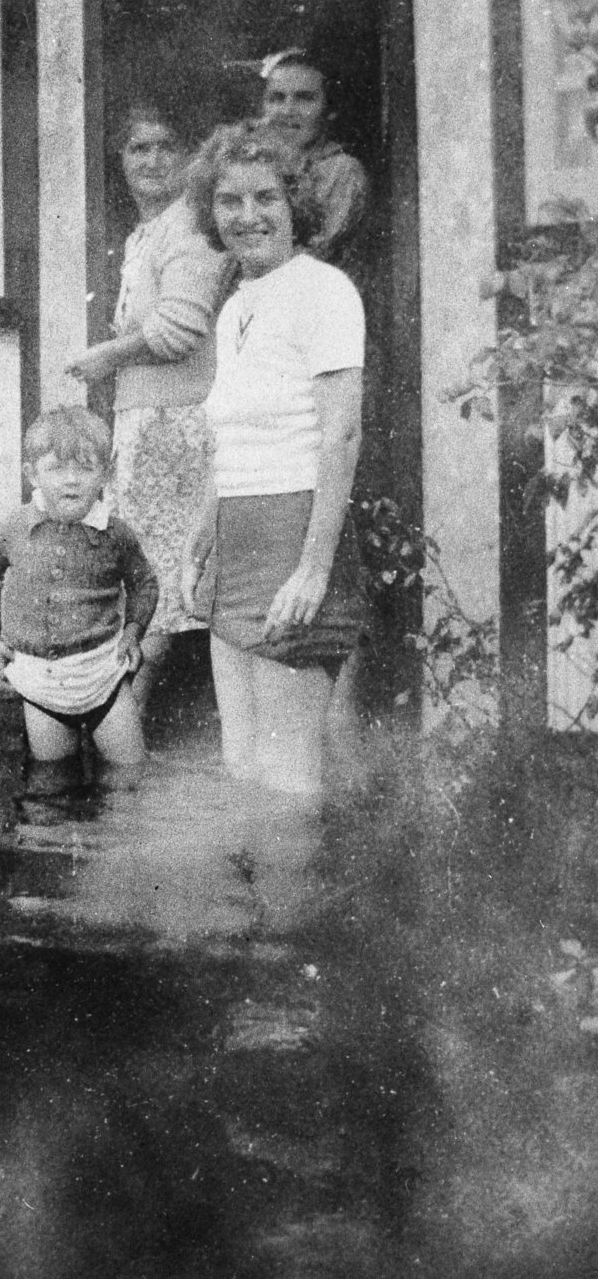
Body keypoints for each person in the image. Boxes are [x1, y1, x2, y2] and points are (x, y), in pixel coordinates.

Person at [180, 122, 366, 813]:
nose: (248, 215)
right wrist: (204, 531)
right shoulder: (233, 309)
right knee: (243, 764)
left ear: (295, 204)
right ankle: (253, 922)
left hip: (295, 536)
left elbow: (341, 434)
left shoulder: (325, 289)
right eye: (229, 200)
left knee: (289, 779)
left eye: (266, 197)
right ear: (211, 209)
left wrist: (314, 567)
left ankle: (293, 924)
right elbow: (226, 432)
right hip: (236, 537)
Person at [65, 103, 235, 711]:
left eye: (167, 146)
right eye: (140, 148)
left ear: (189, 158)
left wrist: (107, 357)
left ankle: (126, 722)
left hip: (179, 424)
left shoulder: (189, 223)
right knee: (151, 577)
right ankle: (125, 720)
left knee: (162, 583)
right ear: (122, 160)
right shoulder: (147, 233)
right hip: (148, 425)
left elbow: (181, 329)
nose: (154, 159)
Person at [0, 406, 158, 777]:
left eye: (85, 468)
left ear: (105, 473)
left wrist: (134, 632)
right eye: (56, 468)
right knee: (52, 780)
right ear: (32, 474)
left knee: (129, 774)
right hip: (41, 684)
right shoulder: (14, 528)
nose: (71, 481)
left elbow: (144, 583)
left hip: (103, 675)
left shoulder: (115, 533)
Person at [231, 48, 370, 279]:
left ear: (329, 110)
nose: (288, 111)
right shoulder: (259, 167)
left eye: (304, 99)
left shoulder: (341, 171)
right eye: (276, 98)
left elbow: (312, 256)